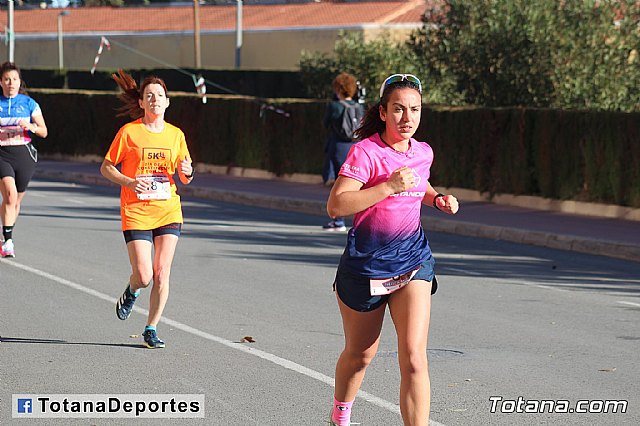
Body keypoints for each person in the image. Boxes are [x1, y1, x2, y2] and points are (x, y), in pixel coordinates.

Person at [326, 74, 459, 426]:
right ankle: (340, 416)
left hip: (413, 261)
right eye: (398, 109)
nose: (407, 118)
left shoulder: (423, 152)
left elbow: (420, 184)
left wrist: (437, 199)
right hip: (367, 269)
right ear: (383, 112)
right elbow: (337, 205)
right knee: (360, 355)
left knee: (415, 358)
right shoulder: (366, 152)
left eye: (414, 110)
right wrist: (387, 186)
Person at [100, 70, 194, 349]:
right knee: (144, 275)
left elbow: (185, 175)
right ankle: (131, 290)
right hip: (136, 209)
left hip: (167, 209)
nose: (155, 100)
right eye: (149, 96)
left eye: (160, 96)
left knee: (162, 272)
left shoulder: (176, 135)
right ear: (141, 102)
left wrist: (188, 171)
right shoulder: (129, 133)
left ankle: (151, 328)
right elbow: (106, 168)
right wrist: (129, 181)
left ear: (167, 102)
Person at [0, 62, 48, 258]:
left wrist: (30, 126)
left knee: (15, 201)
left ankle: (5, 234)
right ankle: (9, 241)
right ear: (0, 82)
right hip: (2, 153)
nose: (11, 83)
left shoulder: (29, 104)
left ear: (20, 82)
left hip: (24, 155)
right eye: (6, 79)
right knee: (10, 195)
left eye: (14, 79)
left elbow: (44, 131)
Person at [321, 72, 364, 231]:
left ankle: (338, 220)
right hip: (356, 146)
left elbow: (325, 124)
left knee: (339, 184)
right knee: (355, 183)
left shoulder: (334, 106)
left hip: (338, 145)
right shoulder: (359, 106)